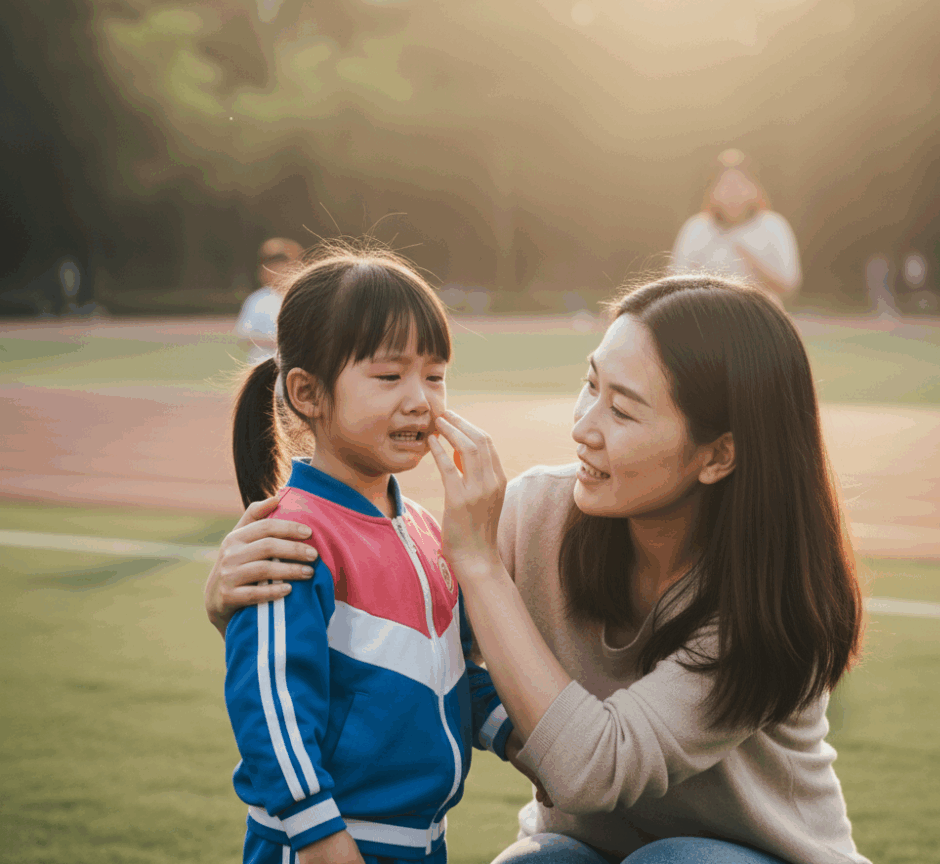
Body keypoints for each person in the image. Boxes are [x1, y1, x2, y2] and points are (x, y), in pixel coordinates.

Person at [206, 274, 870, 864]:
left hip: (751, 856)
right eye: (590, 385)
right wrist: (237, 601)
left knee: (678, 858)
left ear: (718, 454)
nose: (582, 425)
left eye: (623, 408)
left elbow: (591, 771)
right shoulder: (538, 513)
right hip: (578, 847)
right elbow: (435, 660)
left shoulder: (772, 611)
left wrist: (479, 564)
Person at [222, 247, 514, 864]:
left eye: (434, 376)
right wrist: (325, 842)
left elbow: (456, 678)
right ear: (308, 393)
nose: (421, 400)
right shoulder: (293, 537)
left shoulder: (429, 530)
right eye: (389, 376)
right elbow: (272, 708)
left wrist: (533, 741)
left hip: (422, 843)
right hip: (324, 846)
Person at [671, 150, 802, 304]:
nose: (733, 192)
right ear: (711, 191)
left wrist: (747, 253)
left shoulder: (772, 225)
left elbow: (789, 285)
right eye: (725, 185)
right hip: (706, 312)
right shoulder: (696, 227)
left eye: (740, 184)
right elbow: (673, 282)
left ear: (755, 189)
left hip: (759, 313)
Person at [235, 237, 305, 363]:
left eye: (282, 266)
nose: (277, 271)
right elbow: (244, 337)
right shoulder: (257, 300)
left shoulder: (301, 298)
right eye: (271, 267)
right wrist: (275, 342)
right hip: (261, 368)